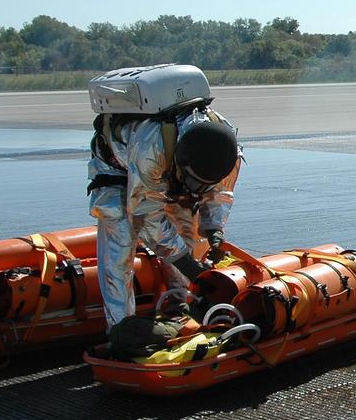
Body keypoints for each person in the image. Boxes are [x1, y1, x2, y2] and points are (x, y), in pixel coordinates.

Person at [87, 69, 242, 330]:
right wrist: (184, 262)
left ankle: (181, 305)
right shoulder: (152, 146)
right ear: (183, 164)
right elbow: (145, 213)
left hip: (167, 175)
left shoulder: (227, 151)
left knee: (186, 230)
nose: (199, 189)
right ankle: (121, 327)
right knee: (120, 240)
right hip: (118, 169)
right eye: (195, 182)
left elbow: (220, 192)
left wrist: (214, 228)